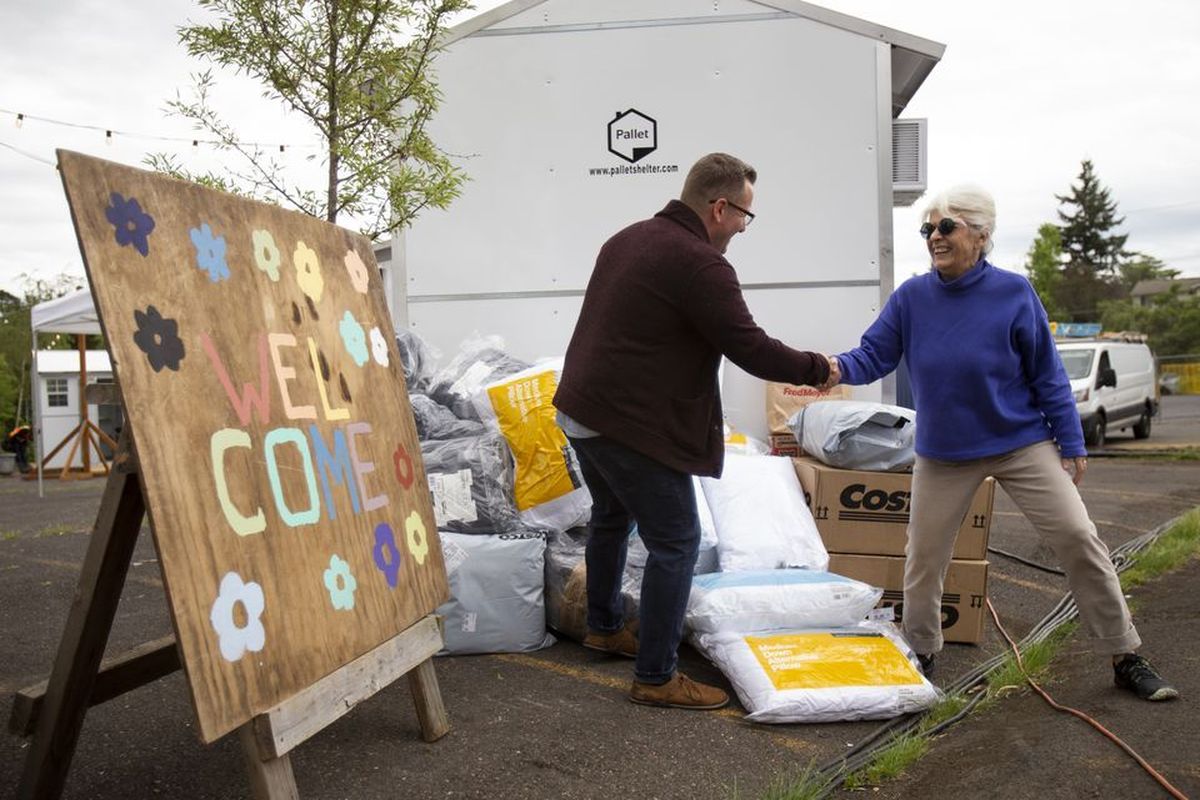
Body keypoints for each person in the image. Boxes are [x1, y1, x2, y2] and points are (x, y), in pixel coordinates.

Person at [830, 184, 1177, 702]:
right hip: (943, 453)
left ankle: (1125, 653)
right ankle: (922, 650)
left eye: (946, 227)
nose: (934, 238)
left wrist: (1071, 441)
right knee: (924, 558)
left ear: (981, 234)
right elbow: (872, 355)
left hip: (1021, 443)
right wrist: (830, 367)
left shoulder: (1014, 293)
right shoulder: (912, 298)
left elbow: (1048, 374)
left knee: (1079, 538)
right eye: (928, 229)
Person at [552, 152, 832, 710]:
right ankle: (655, 677)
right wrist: (818, 368)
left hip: (581, 412)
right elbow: (749, 346)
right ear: (719, 206)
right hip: (627, 423)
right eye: (744, 217)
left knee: (611, 516)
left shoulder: (627, 238)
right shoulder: (702, 264)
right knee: (676, 542)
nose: (742, 230)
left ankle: (606, 626)